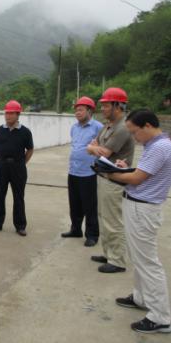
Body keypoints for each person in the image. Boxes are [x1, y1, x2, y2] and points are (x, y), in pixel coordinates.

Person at [106, 109, 171, 334]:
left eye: (135, 132)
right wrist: (124, 169)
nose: (134, 138)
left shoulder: (160, 147)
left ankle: (161, 317)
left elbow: (137, 179)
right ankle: (141, 297)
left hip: (143, 209)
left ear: (148, 126)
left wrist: (110, 173)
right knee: (139, 258)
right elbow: (142, 174)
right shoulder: (155, 145)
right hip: (139, 205)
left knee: (147, 261)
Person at [87, 87, 134, 273]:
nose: (103, 109)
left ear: (118, 106)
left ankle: (118, 260)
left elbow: (104, 152)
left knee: (113, 220)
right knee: (104, 217)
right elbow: (91, 147)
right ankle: (108, 254)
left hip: (115, 180)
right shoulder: (108, 126)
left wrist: (95, 148)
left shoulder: (123, 128)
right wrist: (94, 148)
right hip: (103, 176)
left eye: (106, 105)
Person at [61, 96, 104, 246]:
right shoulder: (74, 127)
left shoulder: (98, 127)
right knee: (75, 204)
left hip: (89, 172)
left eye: (81, 110)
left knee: (89, 205)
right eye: (76, 110)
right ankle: (76, 229)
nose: (77, 113)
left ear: (90, 111)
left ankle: (92, 235)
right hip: (73, 171)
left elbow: (103, 148)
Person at [0, 100, 34, 236]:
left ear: (18, 114)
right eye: (6, 113)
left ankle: (20, 226)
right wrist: (3, 156)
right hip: (2, 166)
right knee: (0, 195)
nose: (8, 116)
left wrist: (21, 162)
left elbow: (30, 150)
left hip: (18, 167)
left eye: (11, 113)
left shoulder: (25, 132)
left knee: (18, 197)